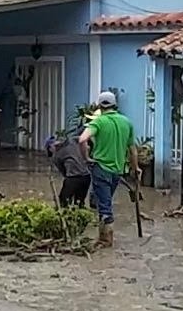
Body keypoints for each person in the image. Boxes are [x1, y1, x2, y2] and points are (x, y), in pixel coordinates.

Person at [79, 90, 136, 247]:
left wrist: (86, 158)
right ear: (115, 105)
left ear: (100, 106)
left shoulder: (98, 122)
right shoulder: (127, 122)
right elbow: (132, 149)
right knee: (105, 200)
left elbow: (82, 139)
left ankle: (106, 240)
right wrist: (135, 168)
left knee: (104, 205)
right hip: (118, 170)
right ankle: (103, 235)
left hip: (101, 168)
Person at [46, 126, 91, 208]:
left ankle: (66, 218)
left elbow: (64, 172)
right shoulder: (72, 141)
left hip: (73, 178)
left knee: (63, 201)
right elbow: (83, 138)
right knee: (79, 203)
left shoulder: (56, 157)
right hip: (86, 177)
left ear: (50, 148)